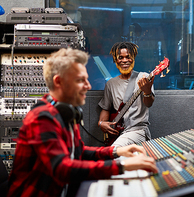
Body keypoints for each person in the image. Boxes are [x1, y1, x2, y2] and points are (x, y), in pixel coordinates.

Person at [7, 48, 157, 197]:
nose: (88, 86)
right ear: (58, 82)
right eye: (80, 80)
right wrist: (121, 165)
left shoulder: (65, 114)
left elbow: (79, 151)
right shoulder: (42, 118)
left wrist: (116, 151)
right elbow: (63, 169)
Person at [98, 42, 155, 147]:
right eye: (120, 57)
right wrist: (101, 123)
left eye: (128, 57)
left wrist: (147, 92)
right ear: (115, 60)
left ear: (133, 58)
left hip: (137, 130)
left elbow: (149, 103)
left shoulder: (143, 78)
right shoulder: (111, 84)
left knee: (114, 150)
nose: (124, 60)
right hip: (118, 132)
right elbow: (106, 108)